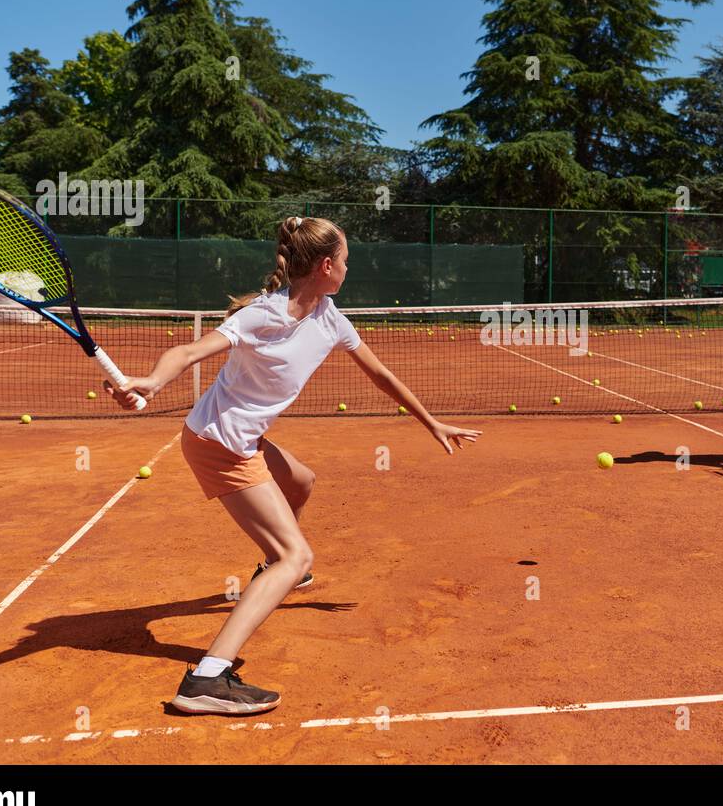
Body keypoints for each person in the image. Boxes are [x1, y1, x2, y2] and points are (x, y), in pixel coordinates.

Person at [104, 216, 480, 714]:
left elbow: (381, 375)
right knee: (297, 558)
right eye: (345, 260)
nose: (348, 267)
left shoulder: (329, 317)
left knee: (301, 480)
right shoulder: (263, 315)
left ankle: (272, 563)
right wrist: (151, 382)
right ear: (326, 265)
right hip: (220, 444)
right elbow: (192, 349)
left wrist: (431, 422)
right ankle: (208, 678)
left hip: (242, 439)